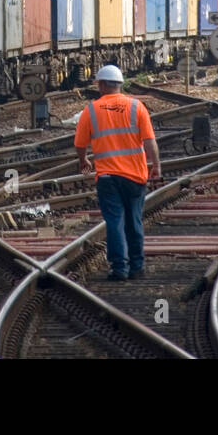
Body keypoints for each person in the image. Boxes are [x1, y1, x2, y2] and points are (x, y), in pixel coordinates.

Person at [74, 64, 161, 281]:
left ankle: (119, 269)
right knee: (134, 220)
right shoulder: (136, 107)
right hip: (135, 176)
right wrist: (156, 166)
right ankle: (137, 267)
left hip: (107, 177)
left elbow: (79, 143)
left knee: (114, 222)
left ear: (102, 85)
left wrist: (83, 159)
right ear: (120, 85)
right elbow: (150, 142)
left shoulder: (91, 110)